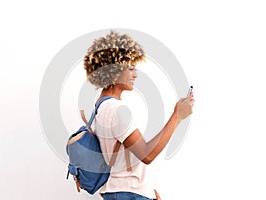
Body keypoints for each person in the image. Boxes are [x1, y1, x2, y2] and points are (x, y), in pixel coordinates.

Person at [83, 30, 194, 200]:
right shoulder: (116, 109)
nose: (135, 74)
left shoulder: (101, 106)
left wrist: (147, 190)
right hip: (128, 193)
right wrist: (177, 116)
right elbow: (146, 154)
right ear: (115, 70)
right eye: (131, 68)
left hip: (121, 191)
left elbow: (122, 157)